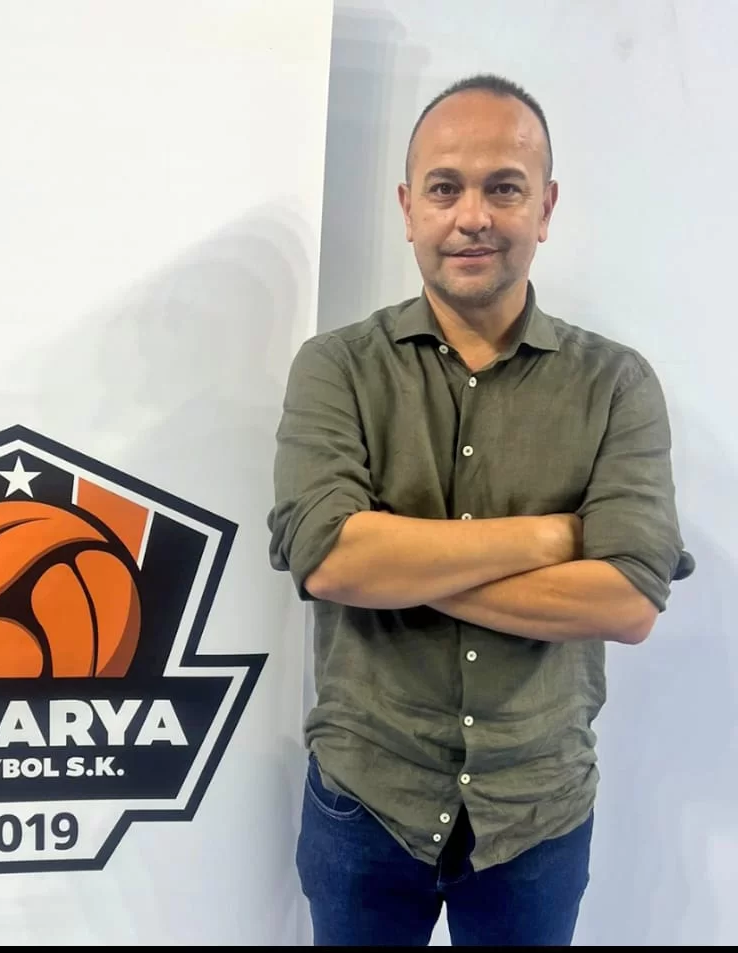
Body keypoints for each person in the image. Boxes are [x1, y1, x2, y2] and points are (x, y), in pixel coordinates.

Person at [266, 73, 695, 947]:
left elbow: (626, 601)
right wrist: (552, 537)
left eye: (504, 187)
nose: (473, 216)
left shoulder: (616, 384)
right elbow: (329, 557)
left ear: (545, 207)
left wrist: (395, 564)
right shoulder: (336, 368)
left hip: (537, 811)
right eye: (444, 188)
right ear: (408, 208)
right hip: (365, 798)